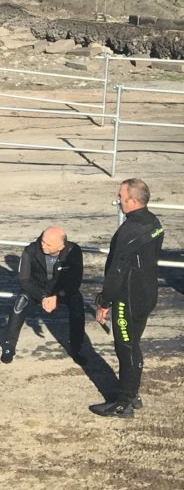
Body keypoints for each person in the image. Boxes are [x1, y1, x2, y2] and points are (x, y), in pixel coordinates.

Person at [92, 178, 164, 418]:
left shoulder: (130, 230)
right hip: (147, 293)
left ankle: (123, 403)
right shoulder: (154, 222)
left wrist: (104, 301)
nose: (118, 199)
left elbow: (117, 271)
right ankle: (132, 393)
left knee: (125, 347)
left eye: (121, 196)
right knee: (133, 345)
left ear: (132, 201)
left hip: (129, 298)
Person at [0, 226, 84, 363]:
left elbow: (75, 281)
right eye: (42, 241)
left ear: (61, 246)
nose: (43, 245)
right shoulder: (31, 250)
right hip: (36, 289)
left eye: (48, 244)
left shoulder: (73, 251)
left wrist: (58, 297)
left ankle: (76, 347)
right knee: (20, 304)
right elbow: (24, 280)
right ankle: (9, 346)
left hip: (61, 290)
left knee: (77, 304)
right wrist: (42, 297)